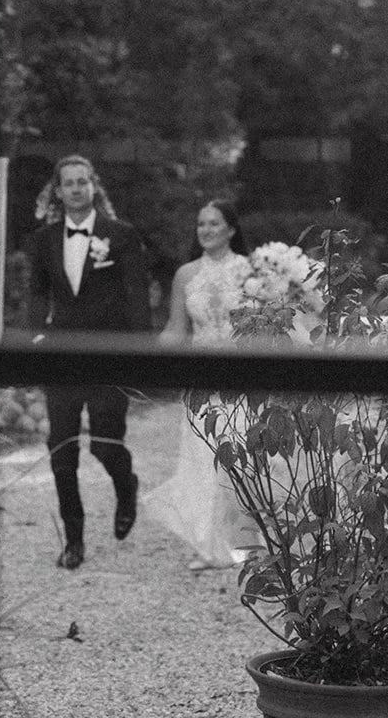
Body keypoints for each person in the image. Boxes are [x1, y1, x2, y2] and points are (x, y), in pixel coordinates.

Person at [28, 154, 152, 570]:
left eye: (83, 181)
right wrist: (36, 335)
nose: (77, 188)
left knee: (104, 444)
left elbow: (137, 296)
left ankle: (126, 484)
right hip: (62, 358)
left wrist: (139, 353)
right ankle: (74, 540)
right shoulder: (44, 240)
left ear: (93, 186)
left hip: (108, 356)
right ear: (58, 191)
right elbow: (35, 294)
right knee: (62, 449)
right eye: (69, 183)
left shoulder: (121, 235)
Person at [144, 197, 251, 572]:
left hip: (243, 377)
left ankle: (244, 542)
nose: (205, 230)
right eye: (201, 224)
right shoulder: (186, 275)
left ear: (231, 230)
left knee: (242, 457)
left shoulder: (252, 272)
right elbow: (176, 329)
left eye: (214, 224)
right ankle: (208, 545)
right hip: (201, 378)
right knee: (203, 459)